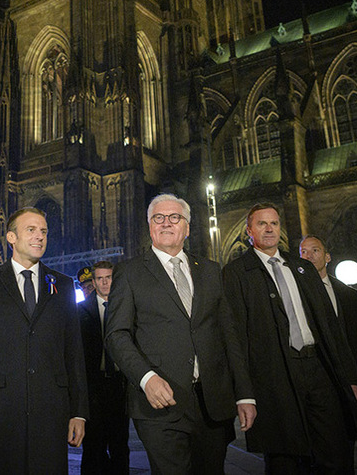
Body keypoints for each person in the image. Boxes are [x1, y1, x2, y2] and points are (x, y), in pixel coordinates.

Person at [106, 194, 254, 474]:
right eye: (158, 218)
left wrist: (245, 393)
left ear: (187, 227)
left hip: (212, 404)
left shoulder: (210, 271)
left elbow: (229, 335)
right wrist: (146, 378)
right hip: (160, 404)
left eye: (174, 217)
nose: (166, 223)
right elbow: (116, 335)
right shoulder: (129, 272)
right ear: (149, 226)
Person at [222, 203, 357, 473]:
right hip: (274, 373)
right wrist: (244, 393)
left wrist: (350, 378)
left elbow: (331, 328)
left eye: (274, 223)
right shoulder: (235, 273)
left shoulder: (302, 268)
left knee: (334, 452)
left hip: (318, 369)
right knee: (283, 458)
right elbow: (236, 337)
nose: (269, 229)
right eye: (262, 224)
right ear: (249, 231)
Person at [0, 206, 88, 473]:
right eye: (31, 230)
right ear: (11, 237)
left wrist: (79, 411)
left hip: (50, 416)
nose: (40, 236)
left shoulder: (62, 285)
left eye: (44, 231)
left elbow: (73, 353)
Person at [300, 235, 357, 462]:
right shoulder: (295, 295)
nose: (308, 256)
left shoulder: (349, 296)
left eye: (315, 250)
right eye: (303, 252)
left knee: (344, 451)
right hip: (313, 385)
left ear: (327, 257)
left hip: (347, 383)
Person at [79, 260, 129, 475]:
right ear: (94, 281)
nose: (105, 282)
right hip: (94, 387)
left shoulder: (126, 306)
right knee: (94, 446)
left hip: (120, 386)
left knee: (120, 445)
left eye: (108, 277)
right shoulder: (80, 311)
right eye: (100, 278)